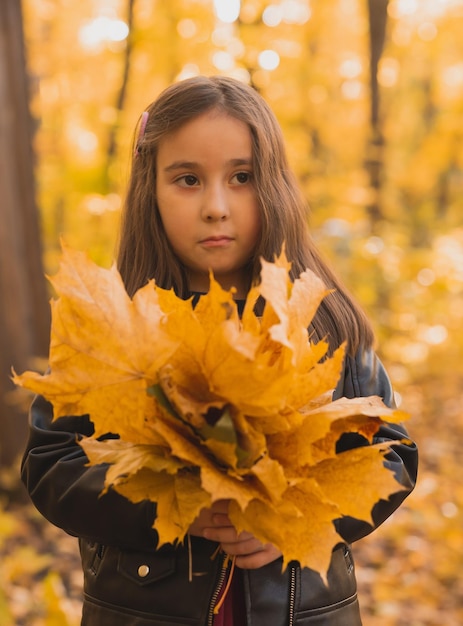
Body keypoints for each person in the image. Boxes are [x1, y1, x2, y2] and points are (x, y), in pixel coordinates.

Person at [21, 75, 418, 626]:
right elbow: (50, 464)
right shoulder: (112, 325)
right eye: (187, 179)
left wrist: (295, 522)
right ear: (150, 189)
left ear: (273, 184)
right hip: (143, 610)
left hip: (304, 611)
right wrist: (174, 507)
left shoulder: (322, 318)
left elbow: (392, 456)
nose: (215, 206)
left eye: (242, 178)